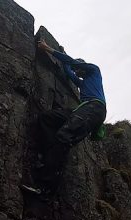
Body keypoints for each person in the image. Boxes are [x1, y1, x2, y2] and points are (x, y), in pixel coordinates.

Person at [22, 40, 107, 195]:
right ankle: (47, 155)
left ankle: (46, 189)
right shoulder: (82, 84)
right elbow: (68, 70)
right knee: (47, 118)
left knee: (64, 137)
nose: (77, 73)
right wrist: (63, 52)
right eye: (77, 71)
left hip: (95, 108)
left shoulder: (94, 70)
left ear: (83, 66)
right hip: (82, 110)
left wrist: (49, 49)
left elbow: (71, 63)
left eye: (79, 69)